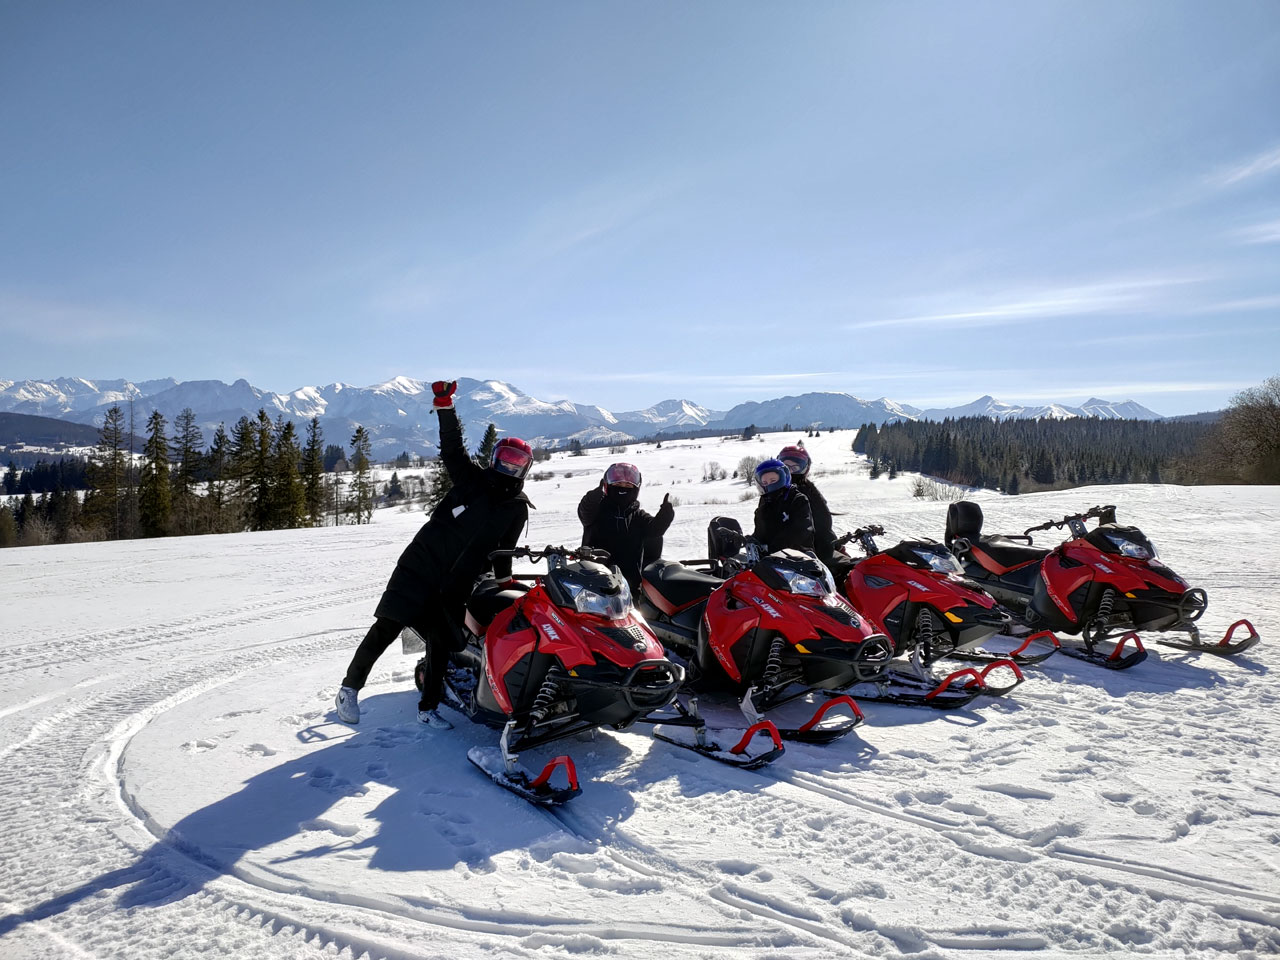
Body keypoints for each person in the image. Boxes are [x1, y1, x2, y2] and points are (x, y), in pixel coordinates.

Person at [335, 380, 533, 728]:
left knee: (441, 645)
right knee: (387, 626)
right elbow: (452, 449)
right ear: (494, 459)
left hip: (455, 586)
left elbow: (504, 550)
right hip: (420, 566)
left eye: (517, 464)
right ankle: (349, 689)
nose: (509, 468)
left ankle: (428, 709)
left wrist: (505, 582)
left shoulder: (516, 507)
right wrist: (446, 407)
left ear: (525, 469)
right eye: (504, 460)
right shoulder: (471, 480)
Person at [577, 462, 674, 591]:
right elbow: (585, 511)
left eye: (628, 485)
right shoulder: (597, 511)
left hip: (629, 586)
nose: (622, 488)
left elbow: (655, 530)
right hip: (594, 583)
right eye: (618, 485)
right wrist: (593, 497)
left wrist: (665, 515)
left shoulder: (638, 515)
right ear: (608, 486)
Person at [778, 444, 837, 566]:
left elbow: (823, 523)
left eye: (795, 468)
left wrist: (834, 544)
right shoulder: (778, 492)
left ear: (804, 469)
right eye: (786, 467)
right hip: (791, 553)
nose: (790, 472)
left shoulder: (805, 492)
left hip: (807, 555)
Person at [751, 459, 815, 554]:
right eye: (765, 483)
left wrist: (771, 548)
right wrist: (750, 541)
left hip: (799, 559)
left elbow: (801, 532)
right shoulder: (763, 507)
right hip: (769, 561)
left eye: (773, 480)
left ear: (783, 478)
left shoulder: (797, 500)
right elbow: (760, 534)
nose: (770, 486)